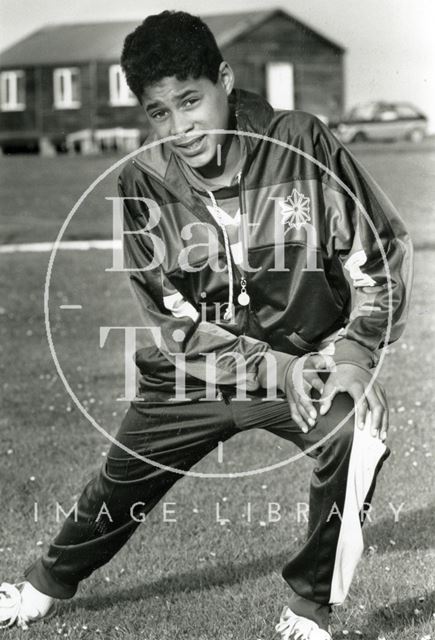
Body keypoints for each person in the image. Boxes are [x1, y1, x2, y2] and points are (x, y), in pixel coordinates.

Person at [0, 10, 413, 639]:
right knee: (119, 485)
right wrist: (280, 367)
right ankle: (41, 587)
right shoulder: (142, 183)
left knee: (354, 432)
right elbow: (176, 323)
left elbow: (378, 258)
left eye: (191, 100)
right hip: (196, 370)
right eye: (159, 112)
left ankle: (308, 613)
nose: (180, 125)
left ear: (224, 79)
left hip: (307, 360)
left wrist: (354, 359)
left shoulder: (303, 142)